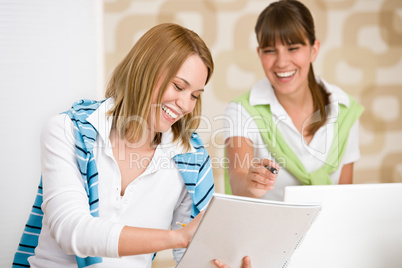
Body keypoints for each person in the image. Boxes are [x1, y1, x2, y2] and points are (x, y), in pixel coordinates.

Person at [13, 23, 217, 268]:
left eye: (195, 95)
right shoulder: (68, 130)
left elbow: (195, 255)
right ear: (145, 71)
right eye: (178, 86)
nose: (185, 104)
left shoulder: (190, 157)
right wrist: (175, 238)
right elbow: (70, 230)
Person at [224, 0, 364, 201]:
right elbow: (237, 178)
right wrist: (251, 182)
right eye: (270, 50)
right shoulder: (241, 111)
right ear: (259, 54)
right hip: (268, 230)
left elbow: (345, 197)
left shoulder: (344, 108)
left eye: (293, 48)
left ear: (313, 49)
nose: (281, 62)